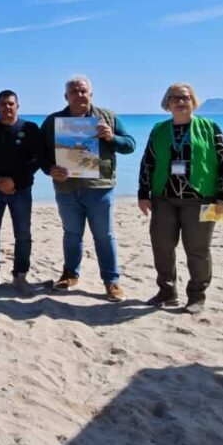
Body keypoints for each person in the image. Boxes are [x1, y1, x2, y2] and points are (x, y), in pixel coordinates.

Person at [138, 83, 223, 314]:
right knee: (162, 247)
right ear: (167, 103)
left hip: (200, 198)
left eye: (185, 97)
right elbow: (148, 162)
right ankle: (167, 292)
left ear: (193, 101)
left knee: (198, 249)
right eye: (175, 98)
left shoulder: (210, 128)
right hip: (164, 198)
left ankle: (196, 296)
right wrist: (143, 194)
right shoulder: (159, 130)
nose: (180, 102)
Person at [41, 75, 135, 302]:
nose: (79, 95)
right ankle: (70, 274)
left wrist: (112, 138)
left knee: (104, 235)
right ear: (66, 96)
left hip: (99, 187)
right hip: (66, 187)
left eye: (83, 91)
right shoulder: (54, 121)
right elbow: (40, 153)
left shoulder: (108, 117)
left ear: (91, 95)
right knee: (72, 234)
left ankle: (111, 281)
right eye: (74, 91)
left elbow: (130, 145)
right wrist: (49, 169)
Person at [0, 89, 44, 295]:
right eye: (3, 104)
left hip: (21, 190)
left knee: (23, 234)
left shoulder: (30, 128)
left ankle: (20, 276)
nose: (7, 107)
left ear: (17, 106)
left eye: (11, 104)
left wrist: (14, 181)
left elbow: (37, 159)